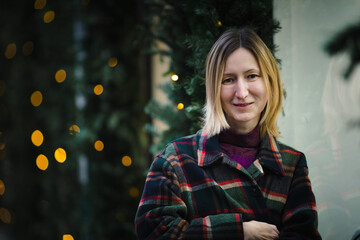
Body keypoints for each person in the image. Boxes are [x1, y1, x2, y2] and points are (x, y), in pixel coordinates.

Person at [135, 28, 321, 240]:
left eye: (252, 76)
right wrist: (237, 230)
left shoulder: (292, 164)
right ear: (214, 89)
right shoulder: (175, 159)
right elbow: (153, 232)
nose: (241, 93)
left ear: (269, 82)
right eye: (228, 80)